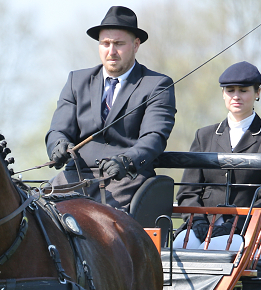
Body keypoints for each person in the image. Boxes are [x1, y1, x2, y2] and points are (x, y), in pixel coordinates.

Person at [45, 6, 176, 210]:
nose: (111, 51)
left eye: (119, 44)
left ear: (136, 44)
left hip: (126, 181)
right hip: (75, 176)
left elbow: (154, 137)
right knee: (35, 217)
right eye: (105, 43)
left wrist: (127, 160)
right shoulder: (76, 81)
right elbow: (58, 129)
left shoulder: (157, 85)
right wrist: (58, 145)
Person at [174, 61, 261, 251]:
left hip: (248, 231)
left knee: (215, 248)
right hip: (202, 226)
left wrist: (236, 225)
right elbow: (188, 191)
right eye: (230, 90)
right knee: (178, 247)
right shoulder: (204, 136)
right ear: (223, 94)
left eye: (243, 90)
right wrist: (198, 223)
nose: (236, 96)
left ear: (257, 93)